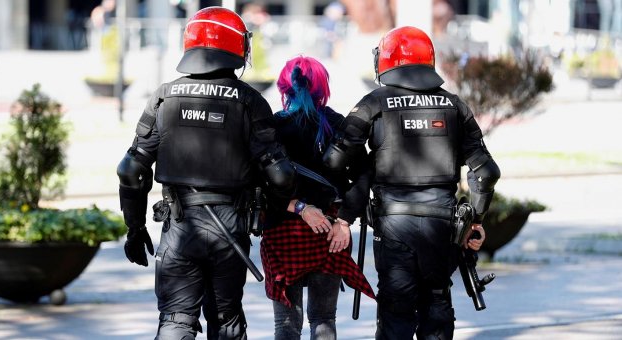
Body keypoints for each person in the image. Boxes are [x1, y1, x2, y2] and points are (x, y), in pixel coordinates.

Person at [116, 7, 295, 340]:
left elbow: (131, 170)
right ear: (237, 46)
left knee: (175, 321)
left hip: (179, 226)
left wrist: (135, 226)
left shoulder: (164, 96)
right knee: (226, 321)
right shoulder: (249, 100)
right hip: (231, 226)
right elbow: (281, 176)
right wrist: (266, 219)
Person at [323, 26, 501, 339]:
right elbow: (486, 173)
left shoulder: (373, 104)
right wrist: (474, 220)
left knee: (396, 314)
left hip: (394, 225)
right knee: (436, 306)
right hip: (443, 227)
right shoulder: (455, 106)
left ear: (387, 60)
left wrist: (363, 180)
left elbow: (335, 161)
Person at [260, 55, 375, 340]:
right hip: (330, 234)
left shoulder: (272, 128)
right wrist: (345, 222)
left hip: (282, 233)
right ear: (323, 88)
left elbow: (256, 181)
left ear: (284, 89)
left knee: (285, 325)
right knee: (324, 320)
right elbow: (364, 175)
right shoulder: (339, 125)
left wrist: (297, 206)